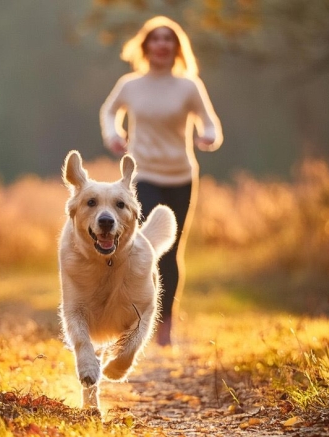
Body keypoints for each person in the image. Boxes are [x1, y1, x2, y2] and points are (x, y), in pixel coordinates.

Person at [99, 16, 223, 346]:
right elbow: (109, 112)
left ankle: (165, 328)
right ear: (146, 46)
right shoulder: (130, 84)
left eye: (169, 39)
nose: (162, 44)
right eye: (156, 39)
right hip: (143, 175)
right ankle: (134, 319)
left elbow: (210, 123)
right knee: (141, 248)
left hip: (181, 176)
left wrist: (208, 136)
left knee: (170, 252)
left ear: (176, 47)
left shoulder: (189, 86)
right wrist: (113, 135)